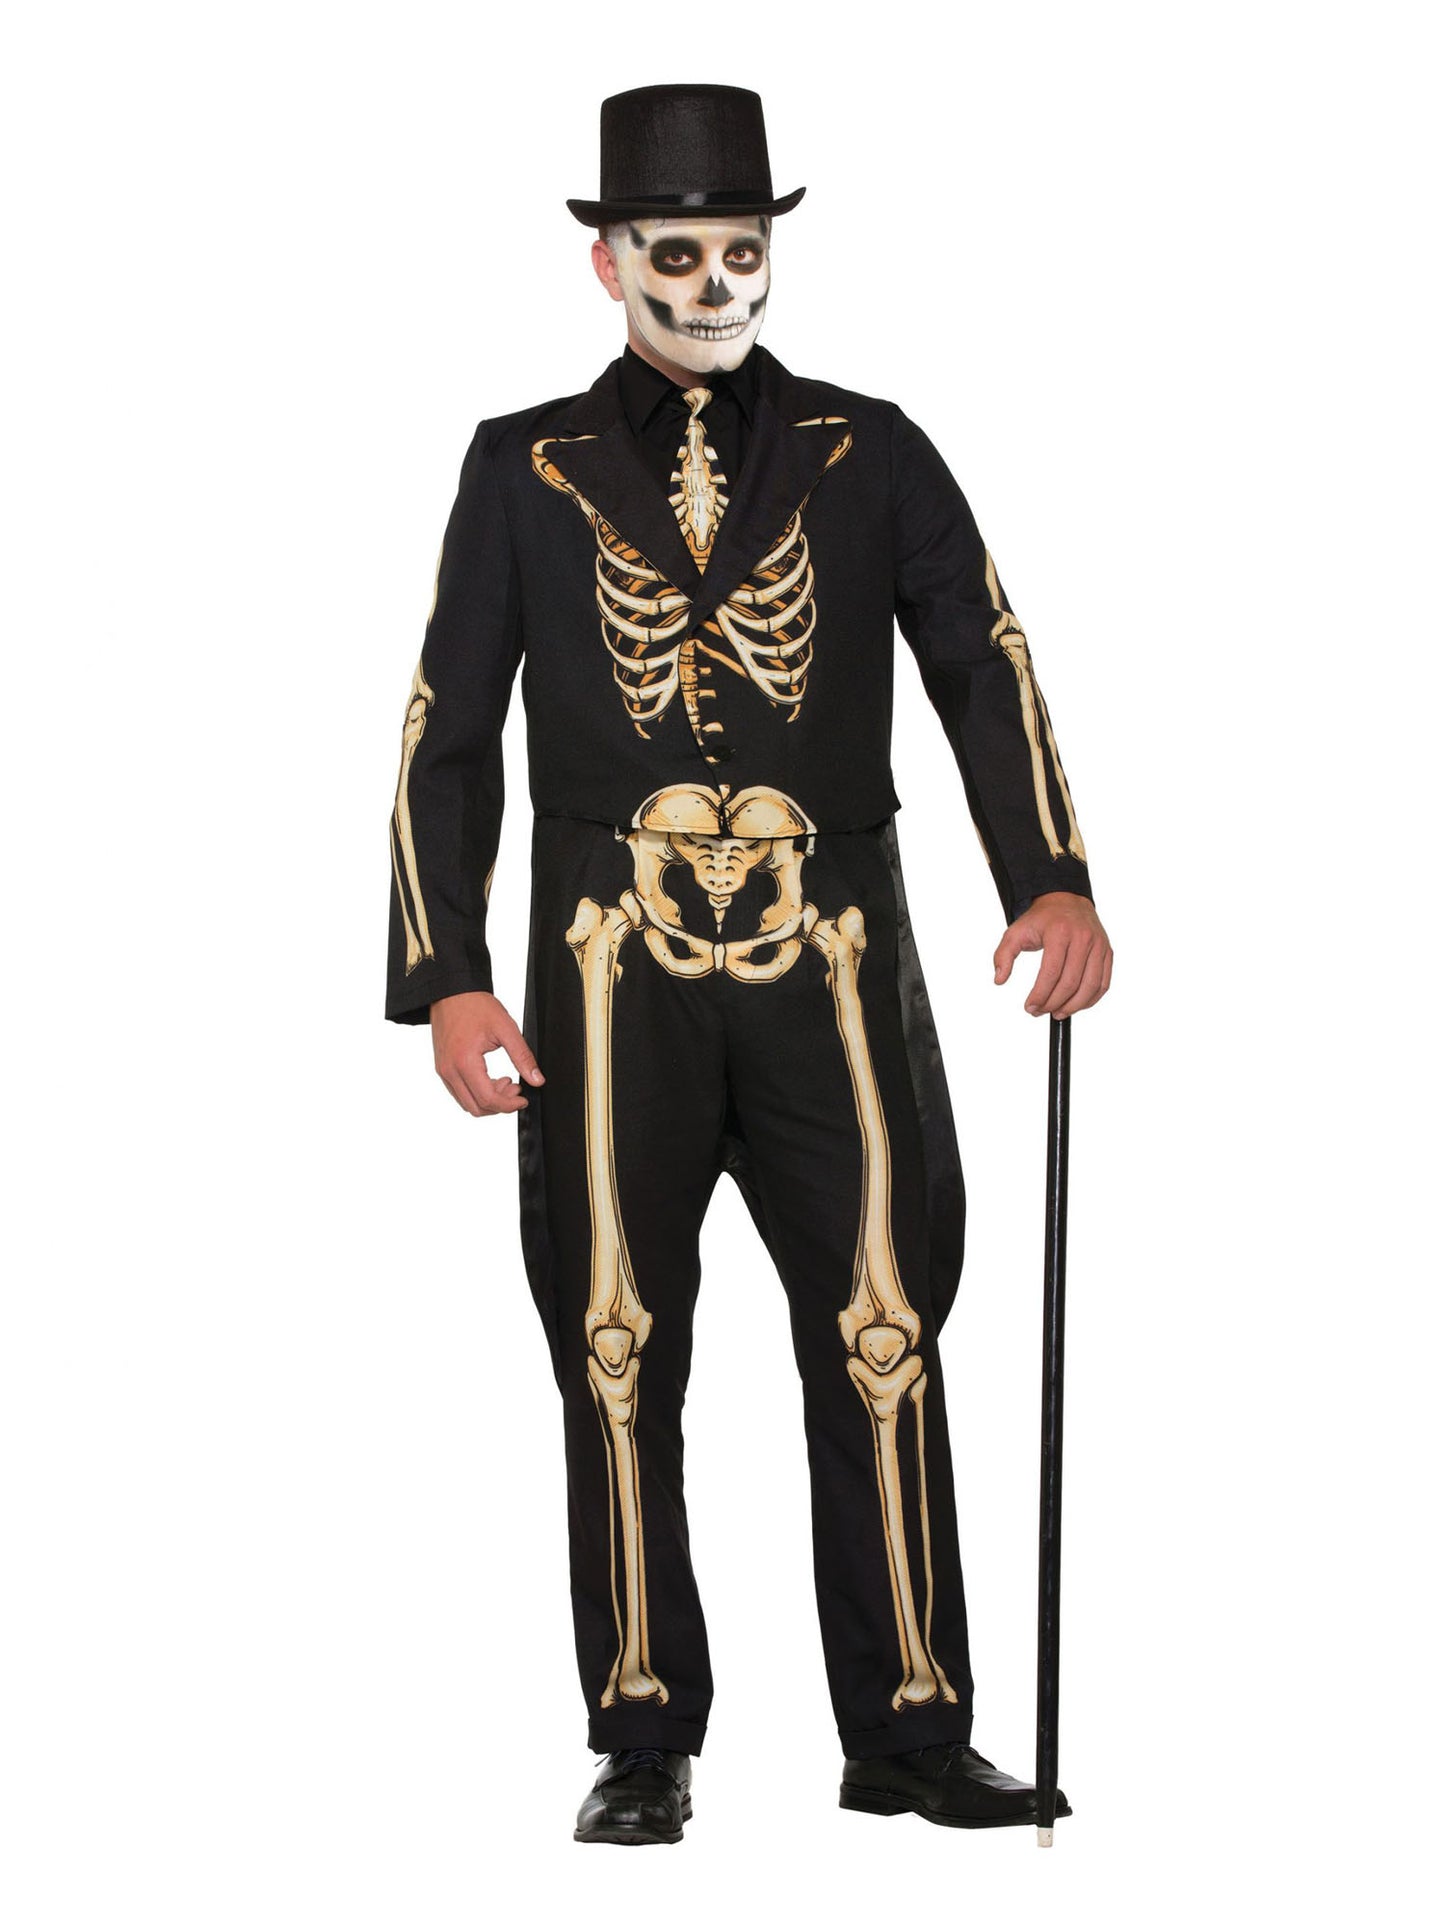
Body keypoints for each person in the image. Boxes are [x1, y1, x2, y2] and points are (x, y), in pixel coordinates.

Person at [385, 83, 1112, 1845]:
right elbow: (446, 724)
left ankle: (910, 1726)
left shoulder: (870, 448)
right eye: (675, 252)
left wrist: (1048, 877)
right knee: (613, 1342)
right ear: (607, 262)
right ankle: (642, 1729)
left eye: (738, 250)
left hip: (830, 954)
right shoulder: (522, 462)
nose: (711, 284)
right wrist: (447, 970)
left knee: (884, 1330)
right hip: (604, 964)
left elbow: (980, 656)